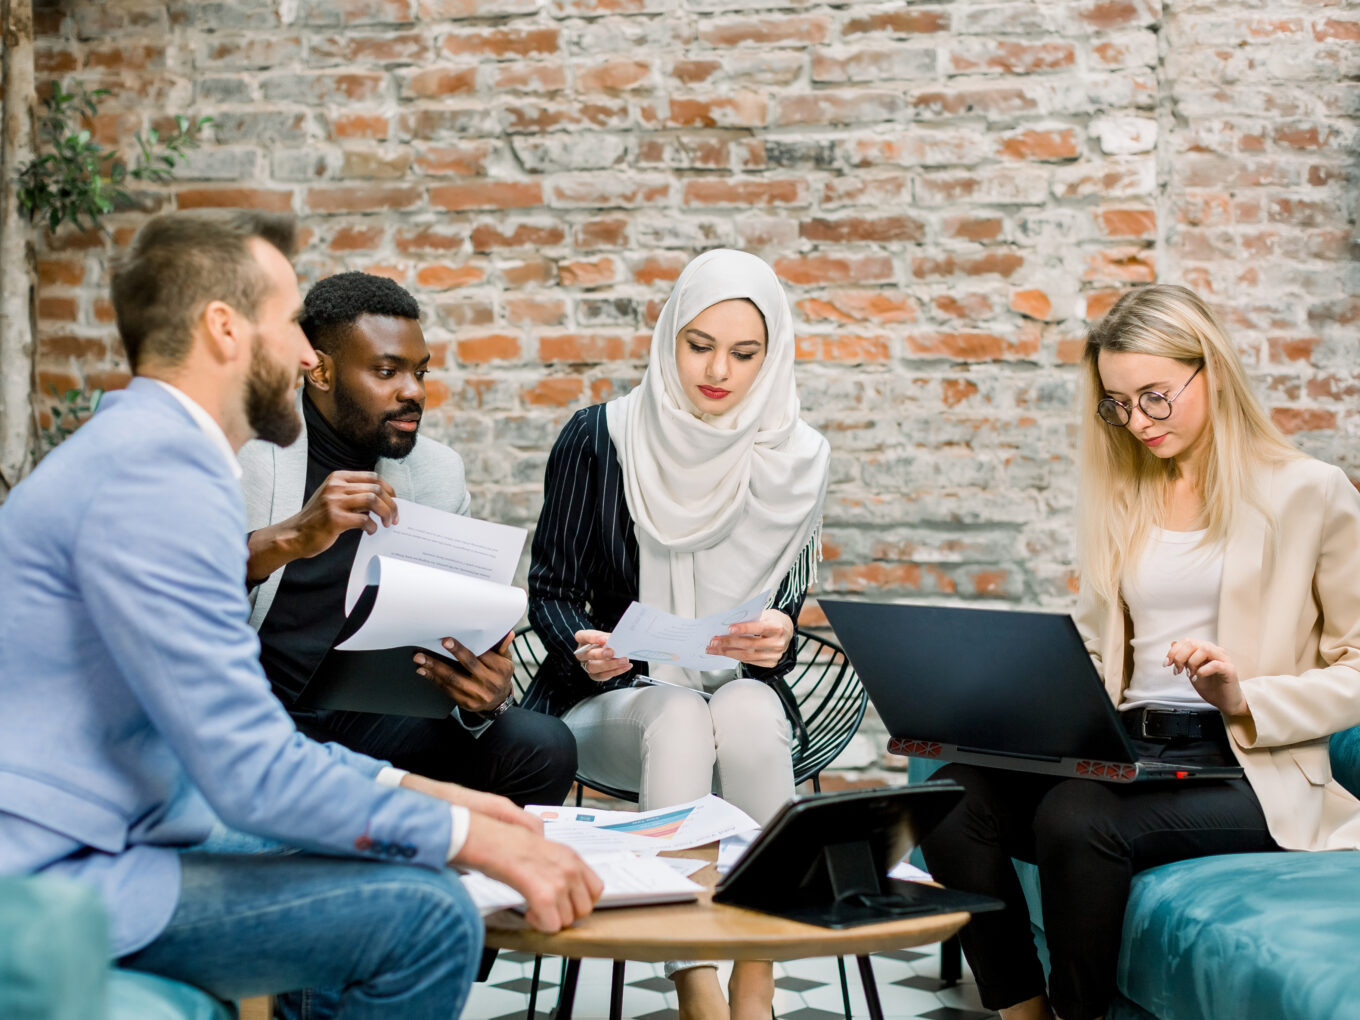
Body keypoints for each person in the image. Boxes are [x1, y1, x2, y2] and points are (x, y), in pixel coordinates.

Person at [0, 210, 601, 1017]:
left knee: (426, 861)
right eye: (288, 324)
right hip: (60, 867)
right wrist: (468, 833)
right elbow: (249, 766)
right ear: (225, 330)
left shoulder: (151, 449)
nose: (302, 354)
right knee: (426, 919)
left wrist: (441, 798)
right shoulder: (156, 474)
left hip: (137, 819)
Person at [920, 284, 1360, 1020]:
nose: (1137, 422)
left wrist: (1245, 693)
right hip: (1131, 752)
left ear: (1210, 370)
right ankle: (1021, 1009)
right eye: (1118, 404)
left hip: (1249, 767)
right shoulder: (1129, 493)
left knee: (1077, 817)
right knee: (950, 799)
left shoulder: (1310, 493)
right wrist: (1011, 700)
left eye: (1154, 396)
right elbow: (1098, 648)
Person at [524, 248, 830, 1020]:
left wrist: (777, 635)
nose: (717, 370)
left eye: (744, 352)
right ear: (669, 338)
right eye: (698, 345)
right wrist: (585, 650)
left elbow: (788, 601)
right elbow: (553, 593)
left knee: (752, 715)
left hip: (732, 692)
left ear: (775, 354)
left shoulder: (797, 459)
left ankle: (756, 973)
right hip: (619, 704)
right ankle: (694, 977)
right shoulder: (601, 437)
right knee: (684, 714)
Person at [240, 270, 576, 808]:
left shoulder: (438, 471)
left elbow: (452, 632)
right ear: (320, 370)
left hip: (368, 719)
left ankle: (475, 892)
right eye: (386, 371)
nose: (413, 391)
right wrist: (288, 538)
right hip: (253, 715)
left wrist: (480, 699)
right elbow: (173, 601)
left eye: (419, 372)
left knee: (541, 745)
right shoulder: (244, 452)